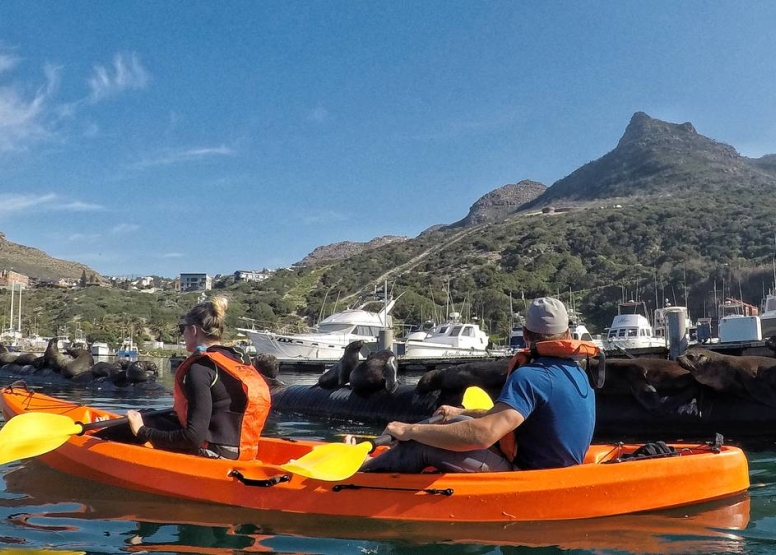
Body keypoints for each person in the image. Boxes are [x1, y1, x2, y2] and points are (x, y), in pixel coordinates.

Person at [353, 297, 596, 473]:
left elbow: (484, 435)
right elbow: (511, 418)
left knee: (420, 443)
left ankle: (364, 469)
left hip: (526, 475)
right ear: (567, 333)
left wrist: (410, 431)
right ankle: (387, 448)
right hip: (562, 468)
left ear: (525, 333)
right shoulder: (576, 371)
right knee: (454, 422)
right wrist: (462, 412)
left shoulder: (532, 376)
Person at [121, 295, 271, 460]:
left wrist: (141, 431)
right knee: (149, 415)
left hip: (216, 456)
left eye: (182, 328)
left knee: (133, 424)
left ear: (193, 330)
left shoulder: (200, 368)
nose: (182, 333)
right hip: (245, 452)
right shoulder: (238, 361)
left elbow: (193, 438)